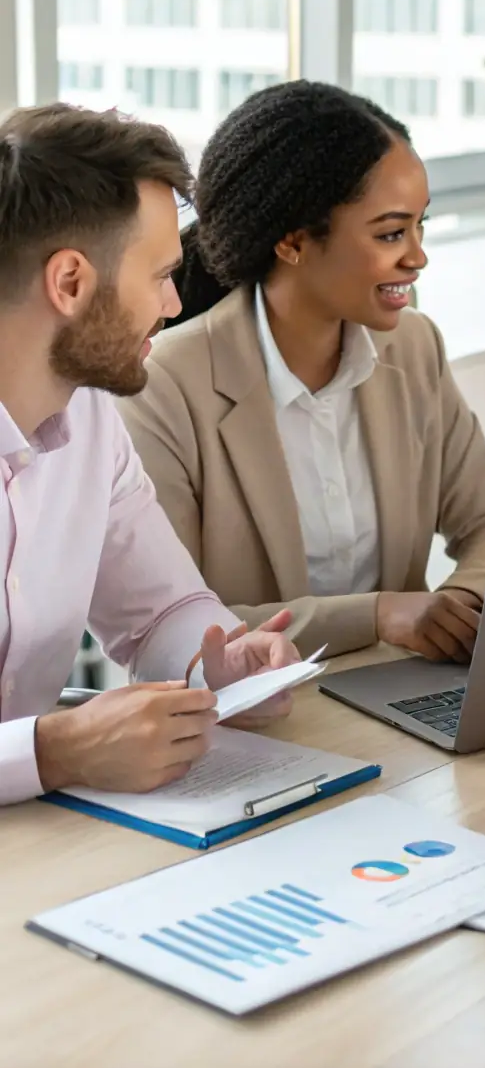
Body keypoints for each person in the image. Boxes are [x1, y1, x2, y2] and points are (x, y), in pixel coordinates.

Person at [117, 81, 485, 662]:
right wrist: (381, 616)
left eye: (420, 227)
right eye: (390, 233)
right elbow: (179, 626)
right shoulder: (164, 386)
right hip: (246, 729)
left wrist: (456, 609)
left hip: (402, 701)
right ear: (293, 242)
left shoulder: (414, 348)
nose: (417, 256)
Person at [0, 103, 299, 809]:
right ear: (70, 282)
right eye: (161, 273)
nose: (173, 303)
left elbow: (160, 609)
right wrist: (53, 748)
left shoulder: (90, 413)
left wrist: (218, 662)